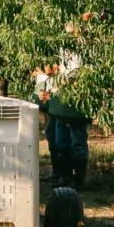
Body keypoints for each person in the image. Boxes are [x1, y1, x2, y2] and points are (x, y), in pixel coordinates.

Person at [46, 49, 90, 189]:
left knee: (78, 142)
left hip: (78, 101)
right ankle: (65, 176)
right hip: (62, 101)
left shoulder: (85, 50)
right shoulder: (61, 51)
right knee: (61, 142)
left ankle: (78, 179)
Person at [32, 64, 60, 183]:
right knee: (51, 134)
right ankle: (57, 173)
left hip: (59, 107)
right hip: (50, 108)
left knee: (61, 139)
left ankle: (63, 174)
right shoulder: (43, 76)